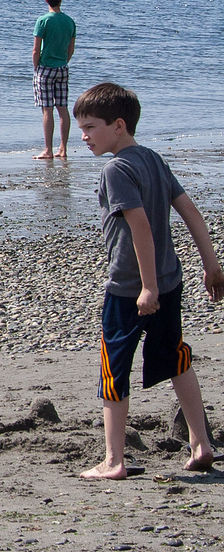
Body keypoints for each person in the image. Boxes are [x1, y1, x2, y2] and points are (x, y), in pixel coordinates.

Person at [73, 83, 224, 480]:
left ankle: (113, 460)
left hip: (131, 290)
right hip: (170, 282)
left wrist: (148, 287)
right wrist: (211, 265)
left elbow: (140, 227)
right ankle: (201, 442)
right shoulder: (153, 159)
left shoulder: (116, 169)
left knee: (113, 367)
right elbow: (191, 211)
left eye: (90, 127)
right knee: (175, 357)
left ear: (118, 125)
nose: (83, 136)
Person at [32, 0, 77, 160]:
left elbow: (36, 50)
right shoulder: (69, 21)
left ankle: (48, 149)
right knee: (62, 108)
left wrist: (36, 67)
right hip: (62, 67)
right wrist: (64, 61)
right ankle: (63, 148)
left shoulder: (43, 21)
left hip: (45, 68)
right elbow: (71, 49)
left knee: (47, 110)